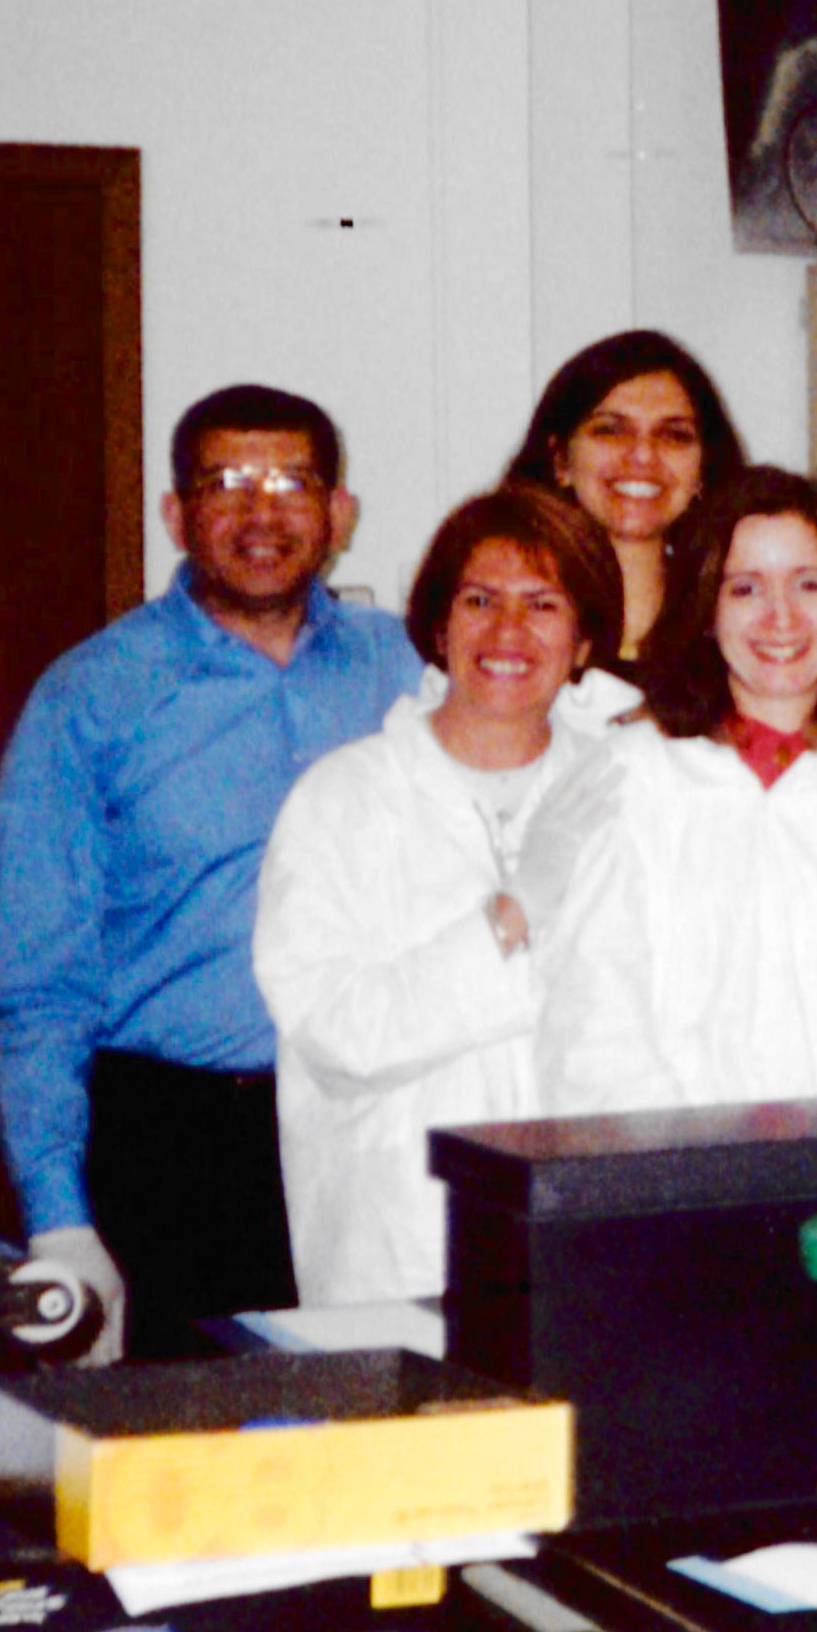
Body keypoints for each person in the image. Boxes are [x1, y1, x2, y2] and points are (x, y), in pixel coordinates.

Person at [0, 385, 421, 1361]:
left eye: (291, 482)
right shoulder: (91, 696)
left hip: (370, 1128)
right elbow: (39, 986)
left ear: (339, 512)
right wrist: (59, 1217)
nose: (261, 512)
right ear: (177, 514)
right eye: (227, 483)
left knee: (379, 1426)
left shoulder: (407, 668)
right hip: (174, 1145)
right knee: (183, 1438)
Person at [524, 466, 817, 1114]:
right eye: (745, 588)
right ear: (706, 611)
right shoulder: (629, 779)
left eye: (809, 584)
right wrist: (690, 1160)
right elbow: (593, 1017)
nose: (781, 617)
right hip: (672, 1164)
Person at [253, 487, 623, 1308]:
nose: (507, 631)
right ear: (439, 625)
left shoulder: (621, 792)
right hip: (395, 1246)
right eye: (480, 600)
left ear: (584, 639)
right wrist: (510, 917)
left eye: (542, 605)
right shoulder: (342, 800)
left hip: (586, 1243)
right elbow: (336, 1032)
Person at [503, 331, 747, 670]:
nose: (643, 455)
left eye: (674, 435)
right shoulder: (508, 637)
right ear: (560, 461)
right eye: (611, 430)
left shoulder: (744, 643)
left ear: (703, 469)